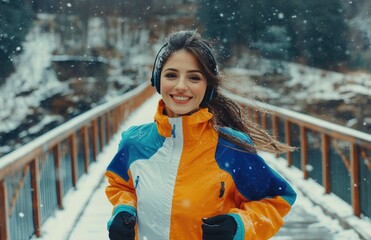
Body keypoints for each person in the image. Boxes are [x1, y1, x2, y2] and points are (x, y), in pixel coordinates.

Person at [105, 30, 297, 240]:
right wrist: (124, 210)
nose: (180, 86)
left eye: (194, 77)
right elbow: (121, 186)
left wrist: (239, 225)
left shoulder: (232, 149)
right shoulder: (134, 142)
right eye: (171, 75)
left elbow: (278, 199)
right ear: (156, 80)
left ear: (208, 87)